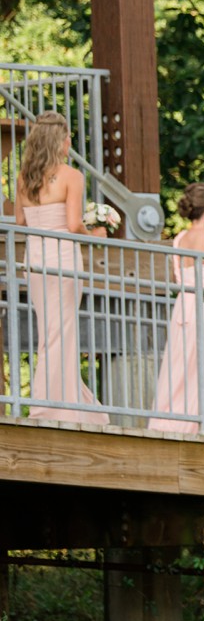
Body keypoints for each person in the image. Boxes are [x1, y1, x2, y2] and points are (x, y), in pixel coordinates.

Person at [11, 111, 108, 425]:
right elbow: (72, 224)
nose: (70, 143)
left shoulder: (25, 178)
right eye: (68, 138)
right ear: (61, 141)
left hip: (36, 261)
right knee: (61, 332)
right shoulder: (71, 176)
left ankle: (66, 401)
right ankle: (51, 406)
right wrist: (95, 234)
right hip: (64, 260)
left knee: (48, 333)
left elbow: (21, 222)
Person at [147, 183, 204, 433]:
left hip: (183, 307)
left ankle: (168, 423)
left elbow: (178, 276)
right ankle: (200, 426)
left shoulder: (181, 238)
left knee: (179, 370)